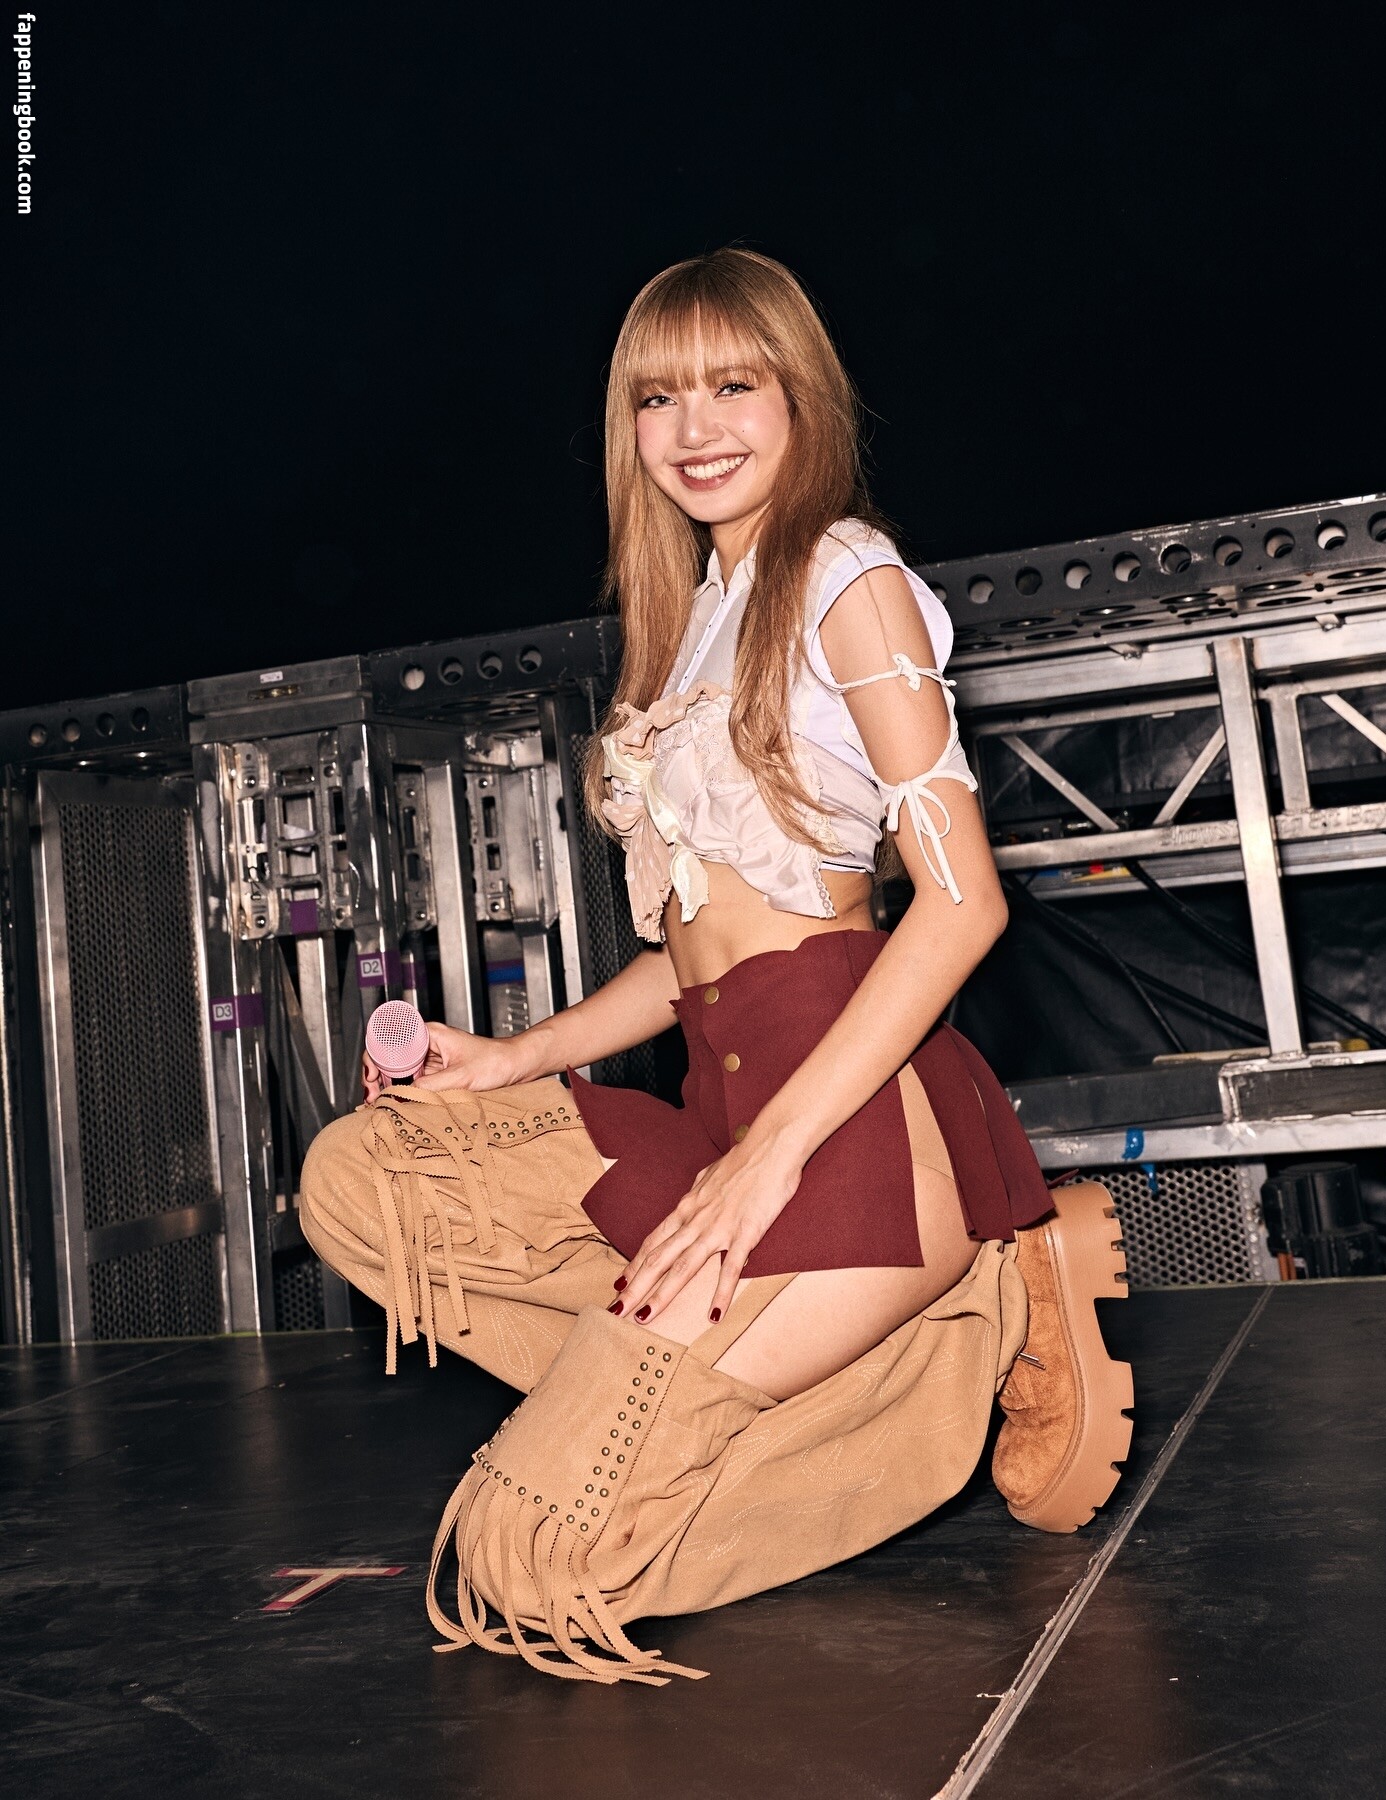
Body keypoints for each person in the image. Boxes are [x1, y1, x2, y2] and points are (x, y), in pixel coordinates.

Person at [298, 248, 1133, 1687]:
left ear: (802, 397)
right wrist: (516, 1056)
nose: (696, 428)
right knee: (365, 1177)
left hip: (851, 1121)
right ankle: (753, 1367)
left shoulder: (844, 576)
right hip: (718, 1105)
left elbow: (961, 906)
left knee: (525, 1558)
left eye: (733, 385)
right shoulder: (686, 623)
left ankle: (971, 1305)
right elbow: (690, 950)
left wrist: (765, 1168)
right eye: (658, 396)